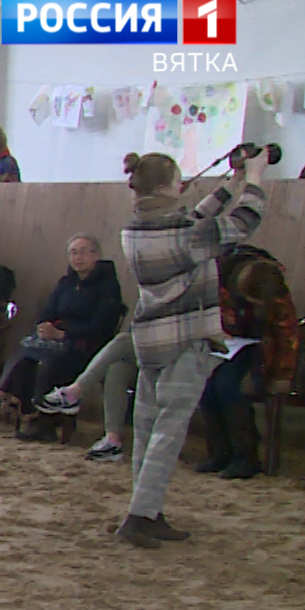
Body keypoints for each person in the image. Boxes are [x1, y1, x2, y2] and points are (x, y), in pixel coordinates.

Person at [115, 149, 269, 548]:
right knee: (169, 431)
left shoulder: (135, 228)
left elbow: (194, 221)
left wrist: (228, 185)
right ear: (168, 186)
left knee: (147, 430)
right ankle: (139, 515)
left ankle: (146, 509)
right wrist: (253, 178)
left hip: (150, 341)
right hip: (184, 341)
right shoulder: (185, 235)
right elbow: (243, 222)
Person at [0, 234, 123, 441]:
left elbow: (102, 326)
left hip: (86, 345)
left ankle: (45, 422)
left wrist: (64, 334)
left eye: (83, 252)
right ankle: (30, 414)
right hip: (56, 340)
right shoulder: (66, 283)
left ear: (97, 255)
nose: (77, 257)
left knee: (49, 364)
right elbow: (47, 310)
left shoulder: (108, 287)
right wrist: (44, 327)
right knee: (25, 356)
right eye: (73, 252)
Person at [194, 248, 298, 479]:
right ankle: (219, 452)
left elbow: (286, 332)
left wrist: (283, 375)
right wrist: (215, 331)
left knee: (230, 387)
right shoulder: (216, 278)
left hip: (259, 346)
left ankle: (246, 456)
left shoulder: (273, 284)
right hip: (223, 342)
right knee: (207, 386)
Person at [37, 329, 137, 461]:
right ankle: (113, 440)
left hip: (170, 360)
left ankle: (74, 392)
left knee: (124, 339)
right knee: (116, 369)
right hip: (149, 360)